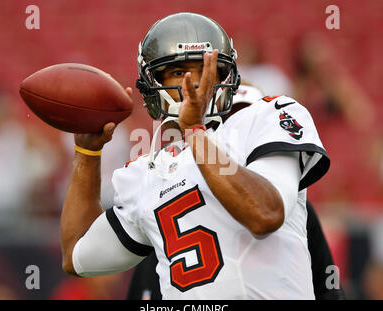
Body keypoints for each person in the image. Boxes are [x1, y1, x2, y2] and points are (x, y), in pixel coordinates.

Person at [60, 12, 331, 299]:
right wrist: (88, 152)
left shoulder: (266, 117)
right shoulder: (146, 173)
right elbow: (78, 256)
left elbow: (265, 214)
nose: (194, 84)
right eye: (178, 72)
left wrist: (196, 133)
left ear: (227, 76)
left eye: (206, 70)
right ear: (153, 86)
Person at [126, 83, 345, 300]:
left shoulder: (293, 207)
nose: (235, 131)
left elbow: (328, 285)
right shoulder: (166, 206)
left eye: (245, 119)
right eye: (226, 121)